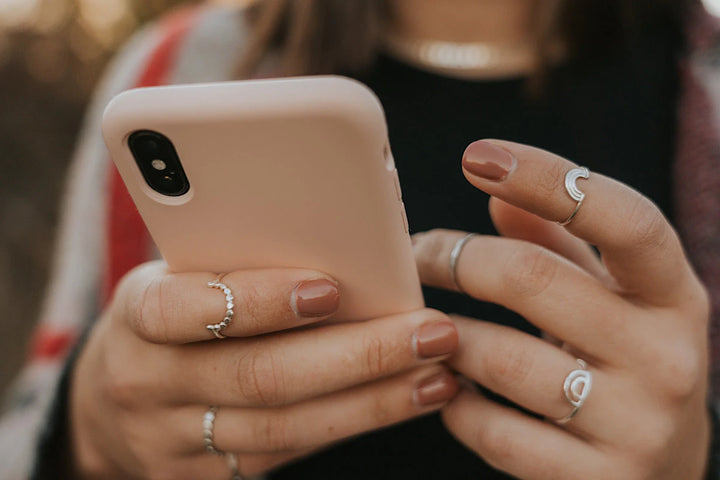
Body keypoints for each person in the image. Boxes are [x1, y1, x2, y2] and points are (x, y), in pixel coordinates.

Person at [1, 0, 719, 478]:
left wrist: (697, 456)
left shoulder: (704, 83)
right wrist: (88, 432)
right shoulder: (178, 69)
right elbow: (28, 427)